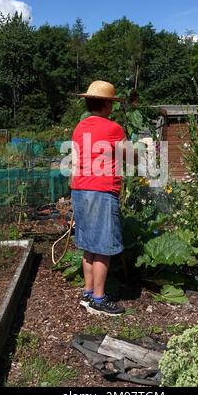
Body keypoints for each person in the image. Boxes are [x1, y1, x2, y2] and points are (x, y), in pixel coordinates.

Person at [71, 80, 127, 315]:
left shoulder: (79, 127)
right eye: (112, 103)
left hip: (79, 189)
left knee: (88, 246)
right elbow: (131, 157)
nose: (112, 107)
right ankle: (99, 299)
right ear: (106, 104)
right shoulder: (113, 129)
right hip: (101, 190)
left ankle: (87, 292)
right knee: (103, 246)